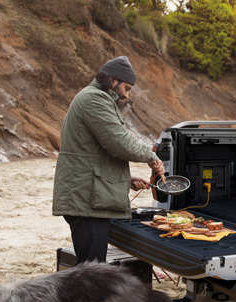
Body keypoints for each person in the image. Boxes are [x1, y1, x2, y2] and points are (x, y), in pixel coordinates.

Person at [52, 55, 165, 265]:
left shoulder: (92, 97)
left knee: (92, 270)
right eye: (127, 87)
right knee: (93, 273)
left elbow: (93, 152)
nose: (126, 94)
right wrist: (151, 157)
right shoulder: (95, 99)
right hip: (86, 202)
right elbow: (118, 143)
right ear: (113, 81)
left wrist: (124, 179)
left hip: (88, 197)